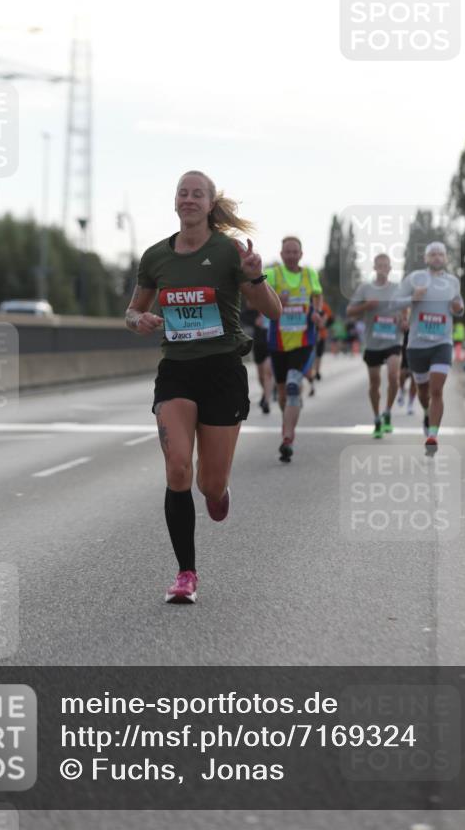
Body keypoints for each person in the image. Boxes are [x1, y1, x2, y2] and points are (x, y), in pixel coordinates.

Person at [126, 170, 281, 604]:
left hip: (222, 370)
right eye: (183, 192)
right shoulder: (156, 257)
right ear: (175, 202)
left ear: (211, 204)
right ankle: (186, 573)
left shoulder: (229, 251)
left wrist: (255, 276)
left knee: (209, 485)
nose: (189, 199)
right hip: (176, 369)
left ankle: (218, 492)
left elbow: (273, 311)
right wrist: (140, 321)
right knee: (177, 467)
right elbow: (132, 312)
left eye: (198, 194)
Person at [393, 241, 465, 451]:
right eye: (432, 254)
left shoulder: (452, 281)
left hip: (442, 343)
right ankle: (426, 413)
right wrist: (412, 297)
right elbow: (394, 302)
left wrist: (458, 307)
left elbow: (459, 308)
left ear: (446, 258)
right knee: (423, 392)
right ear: (426, 258)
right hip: (417, 345)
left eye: (440, 254)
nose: (436, 257)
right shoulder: (415, 278)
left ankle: (432, 435)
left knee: (436, 390)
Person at [264, 236, 322, 462]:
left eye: (294, 251)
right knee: (282, 392)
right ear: (281, 254)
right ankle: (288, 417)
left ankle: (287, 438)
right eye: (287, 251)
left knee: (291, 386)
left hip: (303, 340)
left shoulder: (310, 274)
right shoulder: (272, 274)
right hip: (277, 341)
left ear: (301, 254)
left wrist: (317, 312)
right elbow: (256, 291)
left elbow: (317, 294)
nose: (291, 255)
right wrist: (276, 298)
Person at [346, 253, 406, 439]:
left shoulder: (398, 288)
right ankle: (377, 418)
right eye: (378, 265)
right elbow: (350, 312)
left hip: (393, 341)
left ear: (389, 268)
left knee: (394, 376)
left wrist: (404, 320)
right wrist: (366, 306)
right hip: (373, 342)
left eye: (385, 265)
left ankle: (388, 410)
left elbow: (406, 307)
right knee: (374, 383)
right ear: (374, 267)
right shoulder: (365, 288)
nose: (382, 268)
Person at [396, 321, 417, 413]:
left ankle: (410, 404)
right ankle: (401, 391)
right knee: (402, 374)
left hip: (417, 350)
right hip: (405, 351)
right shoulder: (406, 312)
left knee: (414, 379)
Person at [312, 299, 333, 380]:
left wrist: (323, 324)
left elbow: (330, 319)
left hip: (321, 334)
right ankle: (314, 371)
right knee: (315, 354)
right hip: (313, 335)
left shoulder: (324, 306)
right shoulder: (310, 305)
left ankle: (316, 371)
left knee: (318, 354)